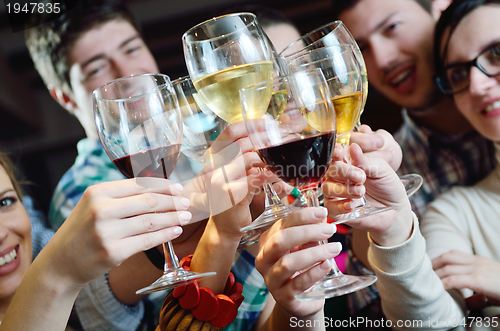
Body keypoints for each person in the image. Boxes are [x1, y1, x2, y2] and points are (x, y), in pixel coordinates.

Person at [326, 0, 497, 320]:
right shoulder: (385, 170)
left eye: (391, 27)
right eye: (362, 48)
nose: (383, 59)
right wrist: (376, 232)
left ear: (438, 10)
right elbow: (373, 316)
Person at [0, 150, 189, 330]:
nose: (1, 234)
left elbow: (87, 302)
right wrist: (57, 269)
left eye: (4, 202)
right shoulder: (77, 184)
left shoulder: (35, 240)